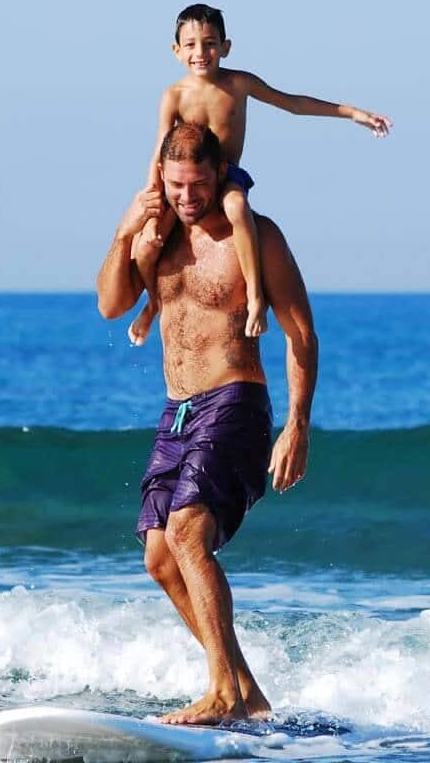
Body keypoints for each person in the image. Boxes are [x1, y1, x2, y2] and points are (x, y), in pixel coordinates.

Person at [96, 122, 319, 725]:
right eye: (174, 186)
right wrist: (124, 232)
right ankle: (246, 694)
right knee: (160, 557)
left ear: (219, 174)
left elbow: (301, 331)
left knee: (189, 533)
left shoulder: (256, 237)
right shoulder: (158, 236)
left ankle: (221, 693)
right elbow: (110, 304)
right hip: (178, 411)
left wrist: (297, 423)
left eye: (197, 185)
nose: (186, 198)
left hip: (236, 400)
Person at [127, 3, 390, 347]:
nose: (200, 52)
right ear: (177, 51)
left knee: (237, 208)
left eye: (209, 43)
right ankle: (153, 303)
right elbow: (161, 149)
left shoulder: (239, 83)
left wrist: (351, 113)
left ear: (225, 47)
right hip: (187, 181)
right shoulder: (173, 96)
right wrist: (152, 196)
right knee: (145, 245)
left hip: (226, 175)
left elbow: (293, 104)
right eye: (190, 44)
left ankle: (254, 298)